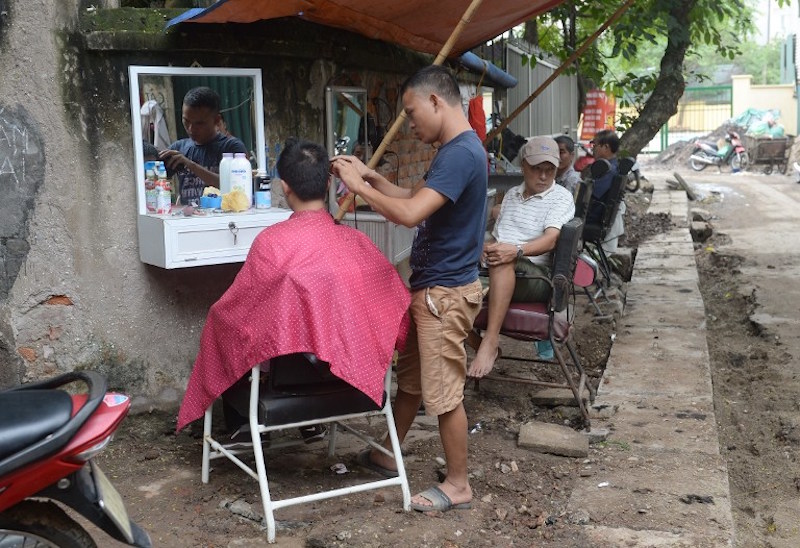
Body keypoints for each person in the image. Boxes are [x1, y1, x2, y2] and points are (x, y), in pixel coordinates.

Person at [331, 65, 487, 513]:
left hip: (444, 295)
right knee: (414, 384)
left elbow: (411, 213)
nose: (410, 122)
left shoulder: (460, 153)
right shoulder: (455, 150)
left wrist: (358, 188)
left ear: (436, 101)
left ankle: (458, 484)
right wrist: (371, 178)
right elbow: (414, 194)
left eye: (412, 111)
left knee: (443, 394)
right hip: (433, 289)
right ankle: (386, 451)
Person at [176, 139, 411, 434]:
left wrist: (219, 319)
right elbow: (397, 312)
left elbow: (234, 317)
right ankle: (310, 425)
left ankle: (243, 432)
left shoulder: (272, 243)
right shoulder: (359, 244)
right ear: (328, 185)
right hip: (348, 381)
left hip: (291, 384)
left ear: (285, 187)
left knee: (226, 328)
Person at [467, 136, 576, 378]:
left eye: (550, 170)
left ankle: (490, 340)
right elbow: (498, 240)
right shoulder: (512, 195)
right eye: (537, 169)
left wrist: (514, 250)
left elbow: (550, 240)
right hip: (501, 269)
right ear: (524, 166)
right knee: (444, 290)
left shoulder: (560, 197)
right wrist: (486, 247)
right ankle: (477, 343)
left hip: (537, 279)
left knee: (504, 258)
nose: (544, 176)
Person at [159, 87, 247, 205]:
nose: (191, 128)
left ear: (217, 120)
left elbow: (234, 186)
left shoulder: (232, 148)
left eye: (199, 123)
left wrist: (190, 164)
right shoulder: (179, 148)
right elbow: (152, 179)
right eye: (186, 121)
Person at [586, 128, 619, 224]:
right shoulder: (613, 166)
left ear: (606, 147)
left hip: (596, 219)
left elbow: (589, 195)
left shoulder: (608, 171)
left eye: (595, 145)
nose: (592, 149)